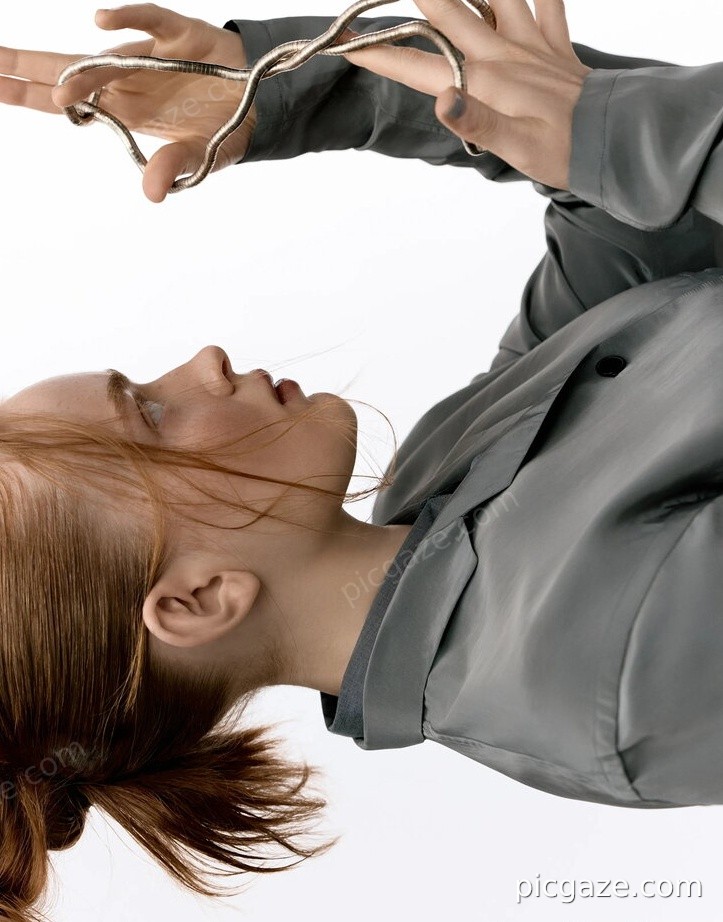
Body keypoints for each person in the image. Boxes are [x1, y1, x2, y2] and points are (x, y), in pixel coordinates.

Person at [0, 0, 721, 918]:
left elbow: (630, 212)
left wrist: (277, 90)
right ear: (199, 600)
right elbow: (627, 150)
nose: (203, 362)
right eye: (150, 414)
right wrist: (607, 133)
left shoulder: (443, 473)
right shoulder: (612, 682)